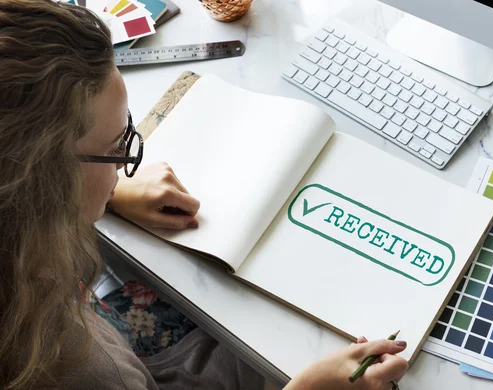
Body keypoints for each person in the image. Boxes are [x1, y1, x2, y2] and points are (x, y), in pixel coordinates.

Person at [0, 0, 409, 389]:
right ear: (41, 185)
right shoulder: (87, 373)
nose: (128, 161)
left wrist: (111, 190)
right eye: (113, 149)